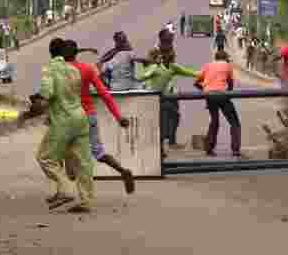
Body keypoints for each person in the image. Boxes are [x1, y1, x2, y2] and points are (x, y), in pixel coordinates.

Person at [19, 38, 95, 213]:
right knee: (83, 162)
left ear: (50, 52)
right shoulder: (73, 69)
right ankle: (86, 201)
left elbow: (47, 94)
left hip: (63, 120)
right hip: (80, 117)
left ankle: (64, 189)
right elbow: (71, 92)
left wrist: (29, 113)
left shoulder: (50, 69)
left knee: (45, 157)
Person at [66, 41, 135, 193]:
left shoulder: (62, 71)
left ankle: (76, 184)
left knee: (67, 151)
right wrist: (118, 117)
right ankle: (122, 171)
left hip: (71, 117)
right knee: (99, 152)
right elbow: (105, 95)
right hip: (89, 116)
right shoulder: (87, 69)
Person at [137, 29, 199, 156]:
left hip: (169, 88)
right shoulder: (154, 51)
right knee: (161, 119)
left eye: (171, 38)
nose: (171, 39)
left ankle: (170, 141)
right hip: (155, 92)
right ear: (161, 38)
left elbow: (177, 68)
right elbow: (146, 69)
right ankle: (159, 144)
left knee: (173, 116)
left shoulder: (170, 50)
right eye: (168, 37)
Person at [197, 50, 243, 158]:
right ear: (225, 58)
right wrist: (228, 95)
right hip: (222, 94)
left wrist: (205, 90)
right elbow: (230, 83)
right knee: (234, 122)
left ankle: (209, 149)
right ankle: (235, 150)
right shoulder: (228, 65)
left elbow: (196, 82)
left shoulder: (208, 65)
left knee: (214, 121)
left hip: (209, 95)